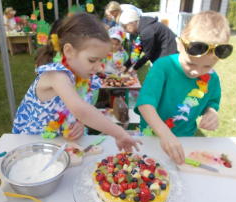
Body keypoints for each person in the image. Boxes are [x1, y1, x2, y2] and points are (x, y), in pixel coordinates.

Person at [13, 12, 142, 152]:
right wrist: (120, 133)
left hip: (60, 146)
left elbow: (77, 111)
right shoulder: (57, 74)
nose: (99, 67)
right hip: (33, 147)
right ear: (68, 51)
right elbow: (80, 109)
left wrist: (80, 123)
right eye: (92, 60)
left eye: (101, 60)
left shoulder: (82, 77)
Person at [134, 11, 233, 164]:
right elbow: (145, 104)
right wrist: (165, 134)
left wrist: (211, 113)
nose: (196, 71)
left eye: (207, 66)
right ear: (179, 45)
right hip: (152, 136)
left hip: (185, 140)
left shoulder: (212, 78)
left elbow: (211, 102)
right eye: (190, 63)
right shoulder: (163, 66)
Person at [119, 9, 178, 74]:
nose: (124, 30)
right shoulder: (140, 27)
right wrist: (125, 66)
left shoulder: (146, 31)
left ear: (132, 23)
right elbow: (136, 52)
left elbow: (148, 54)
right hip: (163, 53)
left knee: (163, 75)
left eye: (125, 27)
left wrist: (135, 68)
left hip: (170, 53)